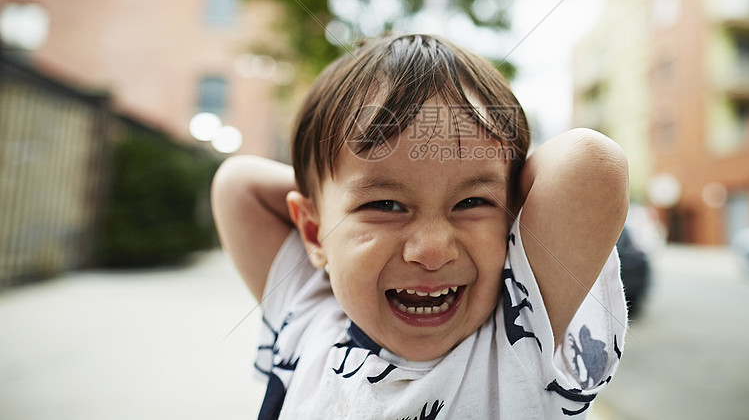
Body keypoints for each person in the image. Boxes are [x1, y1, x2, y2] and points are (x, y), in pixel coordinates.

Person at [211, 33, 629, 419]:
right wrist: (329, 205)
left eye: (471, 202)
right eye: (385, 205)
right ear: (311, 231)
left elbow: (592, 162)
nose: (432, 249)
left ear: (514, 217)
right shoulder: (309, 312)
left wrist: (347, 200)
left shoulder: (519, 341)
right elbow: (235, 184)